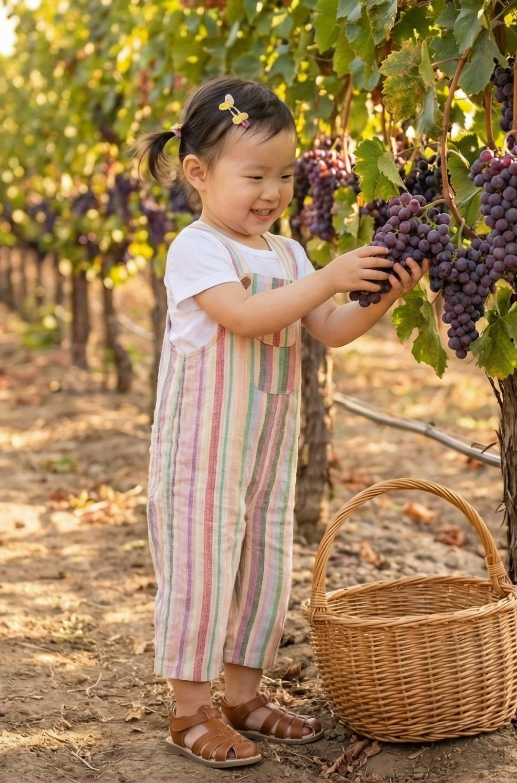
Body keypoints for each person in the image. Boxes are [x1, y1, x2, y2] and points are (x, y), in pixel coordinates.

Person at [134, 77, 426, 769]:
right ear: (199, 175)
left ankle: (243, 697)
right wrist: (328, 277)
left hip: (265, 451)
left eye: (286, 175)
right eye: (255, 175)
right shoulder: (198, 249)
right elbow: (242, 316)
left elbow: (328, 328)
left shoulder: (290, 254)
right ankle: (189, 710)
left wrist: (379, 297)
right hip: (201, 459)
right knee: (203, 572)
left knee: (263, 568)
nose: (273, 191)